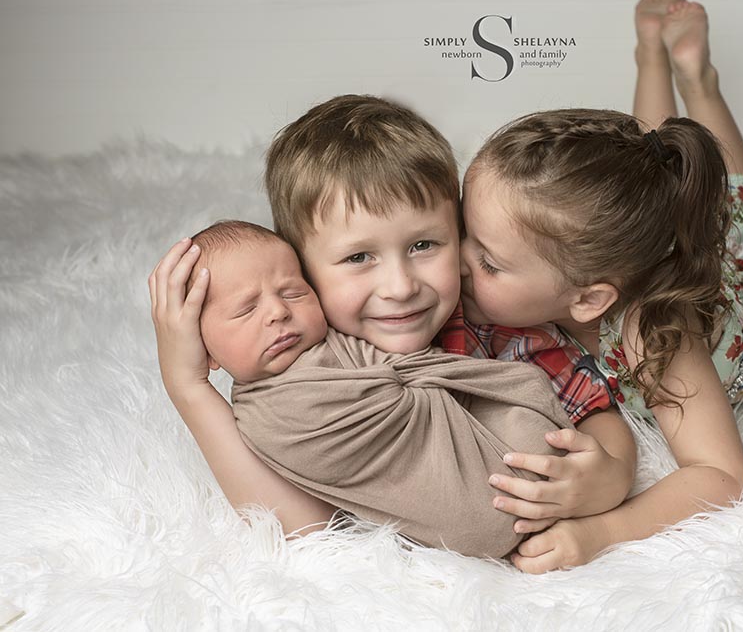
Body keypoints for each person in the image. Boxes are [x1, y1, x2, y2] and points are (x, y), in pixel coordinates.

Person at [460, 0, 743, 572]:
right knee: (652, 156)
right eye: (464, 232)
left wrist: (606, 532)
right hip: (661, 226)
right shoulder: (578, 254)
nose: (456, 262)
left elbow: (723, 473)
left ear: (588, 300)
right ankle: (653, 60)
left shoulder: (654, 336)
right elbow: (647, 162)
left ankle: (700, 82)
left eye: (490, 262)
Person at [148, 96, 637, 553]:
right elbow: (300, 525)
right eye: (359, 257)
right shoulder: (298, 361)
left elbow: (593, 408)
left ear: (458, 232)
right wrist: (188, 387)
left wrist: (611, 476)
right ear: (303, 266)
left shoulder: (492, 324)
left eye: (424, 245)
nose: (400, 287)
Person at [156, 218, 575, 557]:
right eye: (246, 309)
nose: (278, 313)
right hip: (484, 515)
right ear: (205, 348)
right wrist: (188, 384)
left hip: (517, 459)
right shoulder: (252, 419)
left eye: (293, 292)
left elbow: (428, 374)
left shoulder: (347, 342)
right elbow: (307, 530)